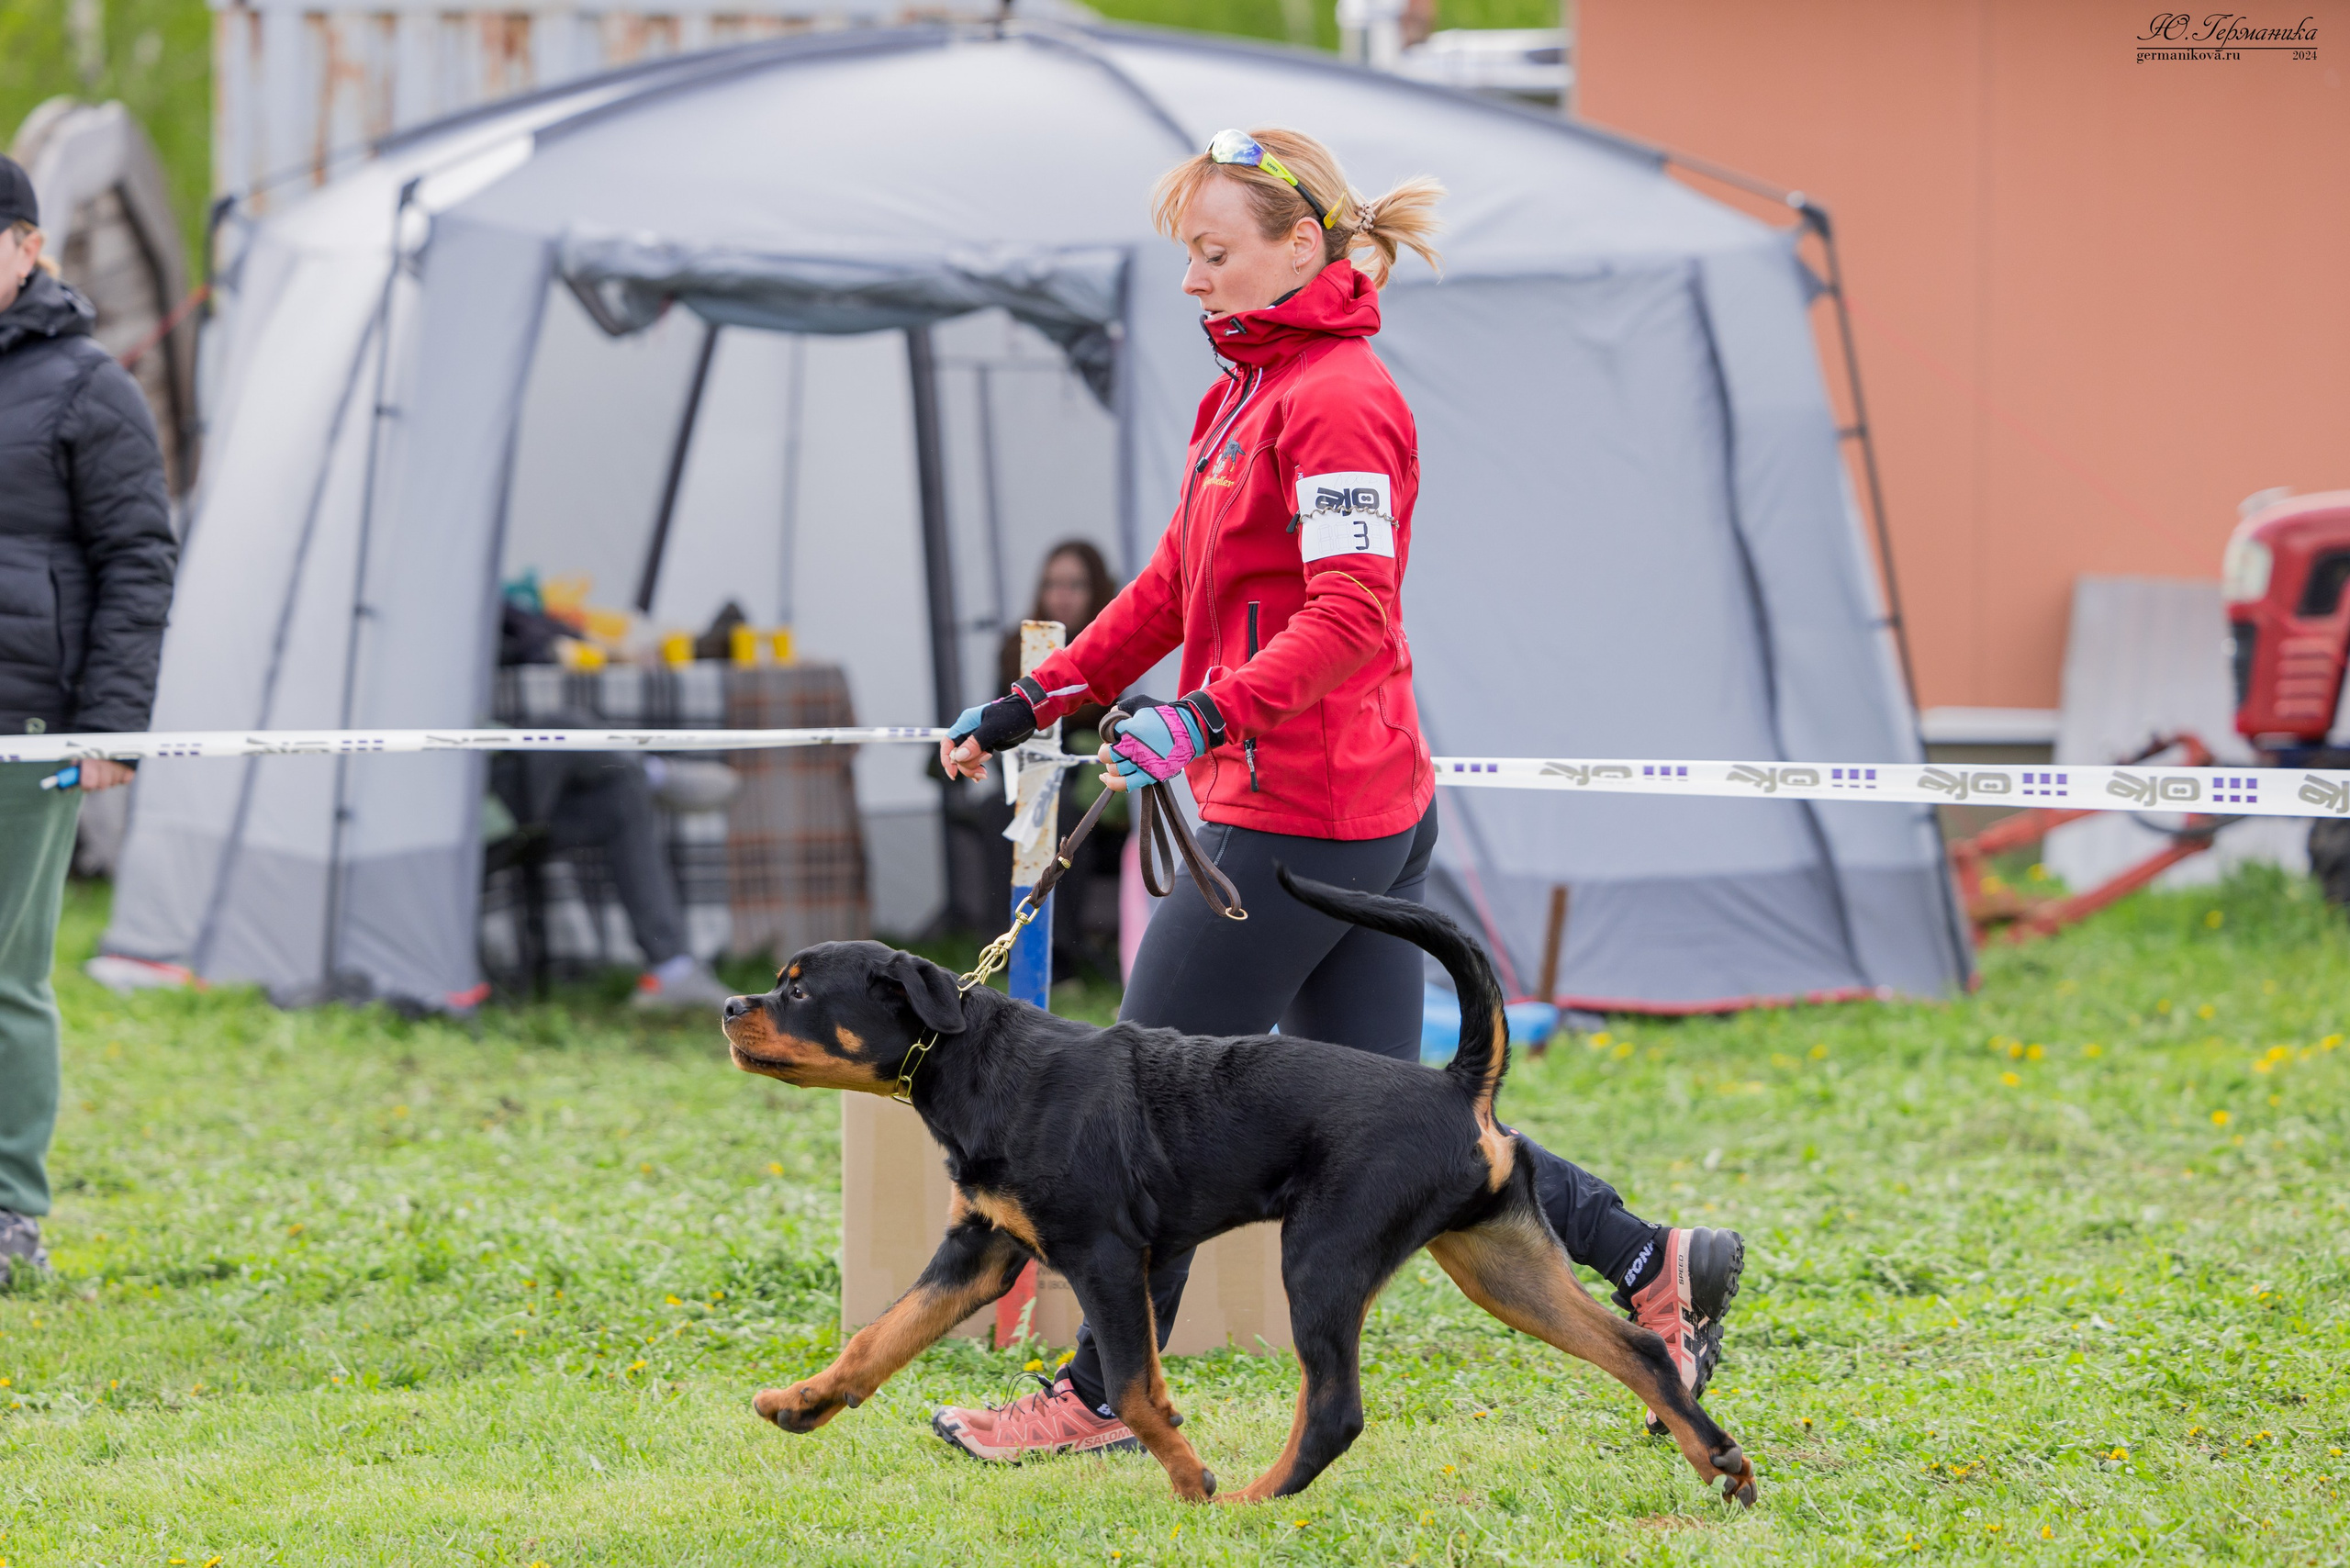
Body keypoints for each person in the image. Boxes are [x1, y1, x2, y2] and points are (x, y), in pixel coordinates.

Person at [927, 129, 1743, 1461]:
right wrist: (1047, 695)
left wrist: (1202, 713)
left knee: (1132, 1113)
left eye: (1215, 252)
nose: (1192, 281)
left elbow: (1351, 617)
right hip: (1328, 800)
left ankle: (1095, 1401)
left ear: (1301, 246)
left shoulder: (1343, 398)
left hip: (1303, 809)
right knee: (1406, 1119)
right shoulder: (1243, 393)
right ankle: (1647, 1256)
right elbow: (1177, 592)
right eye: (1186, 255)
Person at [0, 156, 178, 1282]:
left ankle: (8, 1206)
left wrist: (108, 727)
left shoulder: (85, 383)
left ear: (24, 245)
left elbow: (137, 558)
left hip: (27, 728)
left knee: (5, 972)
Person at [491, 602, 733, 1009]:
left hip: (495, 801)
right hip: (459, 829)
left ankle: (672, 970)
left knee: (621, 794)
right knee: (558, 728)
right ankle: (652, 770)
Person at [988, 542, 1124, 979]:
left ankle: (1060, 954)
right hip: (1026, 776)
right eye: (1052, 584)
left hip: (1096, 782)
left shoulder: (1117, 644)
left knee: (1060, 810)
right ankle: (1002, 943)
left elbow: (1119, 717)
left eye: (1076, 585)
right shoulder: (1018, 646)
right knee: (997, 812)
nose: (1061, 595)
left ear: (1097, 590)